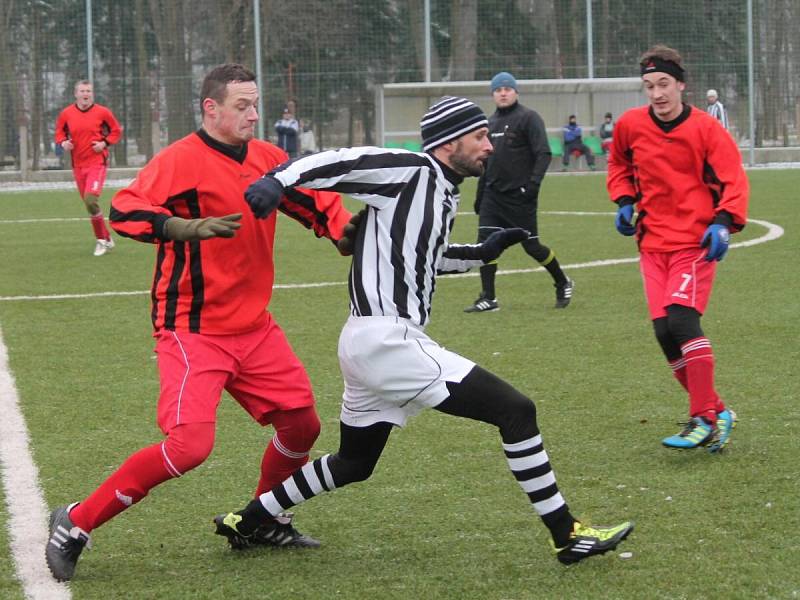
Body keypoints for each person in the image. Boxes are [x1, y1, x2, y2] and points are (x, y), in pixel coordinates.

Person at [214, 95, 634, 565]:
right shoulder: (411, 168)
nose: (489, 147)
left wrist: (480, 252)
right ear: (450, 142)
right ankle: (566, 533)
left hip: (367, 341)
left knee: (355, 463)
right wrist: (277, 180)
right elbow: (340, 159)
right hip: (387, 340)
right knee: (516, 411)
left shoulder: (442, 190)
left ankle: (249, 519)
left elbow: (425, 260)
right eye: (479, 137)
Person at [44, 63, 352, 583]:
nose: (254, 114)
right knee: (190, 447)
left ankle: (259, 519)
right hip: (192, 328)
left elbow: (318, 204)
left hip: (254, 328)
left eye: (255, 104)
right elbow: (123, 211)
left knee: (303, 424)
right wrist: (176, 226)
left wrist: (352, 233)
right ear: (211, 108)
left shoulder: (269, 159)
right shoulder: (179, 161)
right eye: (242, 106)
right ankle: (75, 522)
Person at [608, 45, 748, 451]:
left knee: (684, 323)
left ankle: (702, 417)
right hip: (652, 243)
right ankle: (717, 410)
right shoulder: (630, 125)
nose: (657, 94)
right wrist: (624, 199)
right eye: (649, 86)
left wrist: (723, 222)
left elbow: (733, 179)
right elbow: (618, 164)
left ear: (681, 85)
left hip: (694, 241)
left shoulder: (706, 129)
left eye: (664, 84)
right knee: (665, 334)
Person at [466, 71, 574, 312]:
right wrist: (480, 195)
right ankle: (489, 298)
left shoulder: (528, 118)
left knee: (532, 247)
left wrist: (532, 186)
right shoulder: (488, 124)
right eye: (498, 89)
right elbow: (486, 161)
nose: (503, 93)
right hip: (493, 197)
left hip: (520, 197)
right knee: (484, 245)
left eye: (507, 88)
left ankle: (562, 281)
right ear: (493, 94)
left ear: (516, 92)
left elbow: (543, 153)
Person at [54, 80, 122, 256]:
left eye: (89, 91)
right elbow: (59, 133)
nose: (86, 94)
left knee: (91, 199)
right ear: (76, 94)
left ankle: (101, 240)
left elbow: (116, 130)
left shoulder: (103, 112)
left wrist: (104, 143)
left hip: (97, 163)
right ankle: (106, 237)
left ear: (92, 94)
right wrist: (63, 143)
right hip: (78, 165)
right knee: (88, 203)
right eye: (83, 91)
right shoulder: (66, 114)